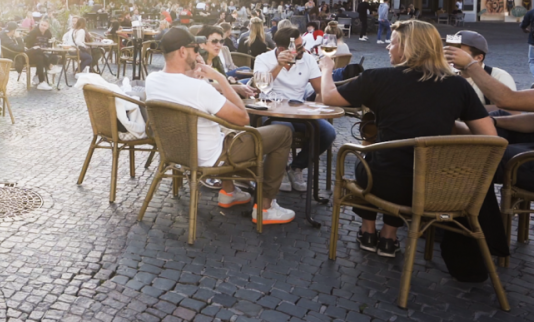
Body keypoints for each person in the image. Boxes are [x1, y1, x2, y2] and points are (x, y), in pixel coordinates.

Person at [322, 20, 494, 258]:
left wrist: (325, 68)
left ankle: (368, 230)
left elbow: (328, 97)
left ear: (407, 47)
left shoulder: (378, 78)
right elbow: (490, 137)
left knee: (370, 158)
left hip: (383, 182)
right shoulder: (458, 86)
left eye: (392, 43)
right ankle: (389, 236)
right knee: (404, 164)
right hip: (432, 186)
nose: (387, 48)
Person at [145, 28, 295, 224]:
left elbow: (180, 86)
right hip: (213, 157)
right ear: (183, 52)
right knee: (283, 132)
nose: (198, 54)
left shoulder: (152, 80)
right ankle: (265, 207)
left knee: (226, 130)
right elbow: (243, 118)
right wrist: (221, 79)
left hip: (179, 153)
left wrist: (195, 74)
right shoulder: (199, 88)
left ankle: (229, 191)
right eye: (194, 50)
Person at [253, 27, 337, 193]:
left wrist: (327, 70)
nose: (304, 49)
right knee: (285, 129)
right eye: (299, 47)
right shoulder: (263, 59)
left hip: (298, 111)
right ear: (283, 49)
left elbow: (320, 89)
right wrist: (279, 65)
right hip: (271, 111)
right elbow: (258, 86)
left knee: (328, 133)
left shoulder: (307, 59)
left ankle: (296, 167)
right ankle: (279, 169)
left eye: (303, 44)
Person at [446, 30, 516, 106]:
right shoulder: (445, 76)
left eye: (459, 53)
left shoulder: (499, 76)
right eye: (451, 50)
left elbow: (512, 110)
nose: (452, 55)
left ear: (479, 57)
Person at [25, 18, 56, 90]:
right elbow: (25, 39)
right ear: (39, 24)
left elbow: (50, 42)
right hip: (33, 53)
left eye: (45, 25)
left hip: (44, 52)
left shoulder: (48, 33)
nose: (42, 27)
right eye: (41, 25)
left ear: (47, 26)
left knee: (54, 56)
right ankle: (42, 81)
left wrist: (51, 44)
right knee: (40, 57)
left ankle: (37, 76)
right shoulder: (34, 32)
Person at [521, 3, 534, 79]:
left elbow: (523, 25)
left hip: (533, 40)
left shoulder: (531, 12)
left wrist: (526, 30)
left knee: (532, 61)